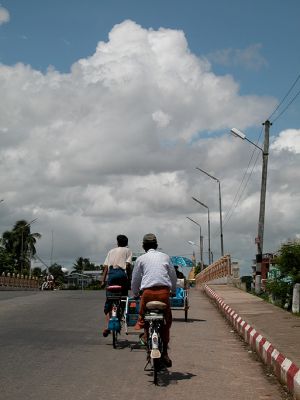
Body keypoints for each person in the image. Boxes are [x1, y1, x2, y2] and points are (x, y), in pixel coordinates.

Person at [131, 233, 177, 368]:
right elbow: (173, 276)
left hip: (147, 294)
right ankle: (165, 353)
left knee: (144, 317)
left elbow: (135, 280)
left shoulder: (140, 259)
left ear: (144, 246)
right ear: (156, 245)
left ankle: (145, 336)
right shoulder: (165, 257)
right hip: (163, 294)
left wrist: (135, 293)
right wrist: (173, 290)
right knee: (167, 321)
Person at [102, 234, 132, 337]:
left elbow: (106, 267)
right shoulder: (128, 251)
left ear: (117, 242)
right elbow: (127, 266)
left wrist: (103, 280)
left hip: (111, 274)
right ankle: (121, 314)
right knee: (123, 297)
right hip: (121, 274)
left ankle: (107, 326)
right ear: (126, 243)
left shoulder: (111, 251)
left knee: (109, 301)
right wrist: (129, 280)